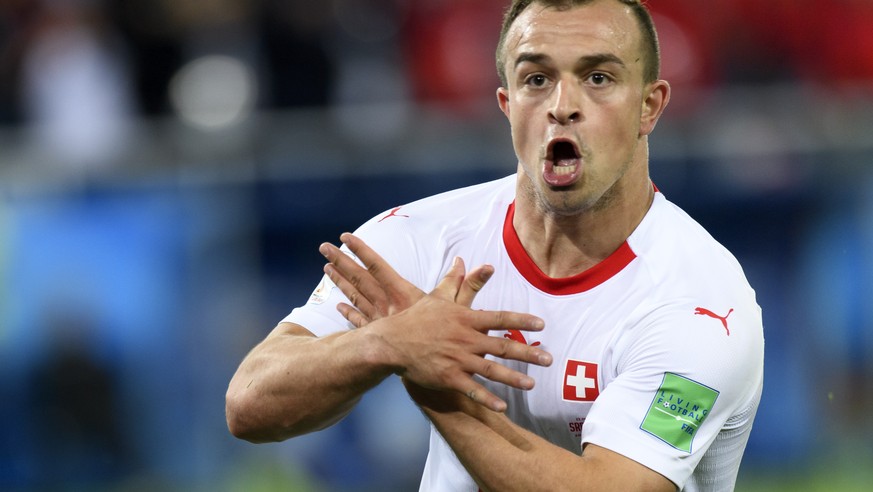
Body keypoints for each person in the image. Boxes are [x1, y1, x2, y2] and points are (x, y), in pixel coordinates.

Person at [225, 1, 765, 490]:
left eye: (598, 77)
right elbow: (249, 403)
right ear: (507, 104)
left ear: (650, 106)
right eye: (536, 79)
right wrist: (386, 343)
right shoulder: (423, 239)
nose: (563, 105)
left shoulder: (701, 306)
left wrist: (438, 385)